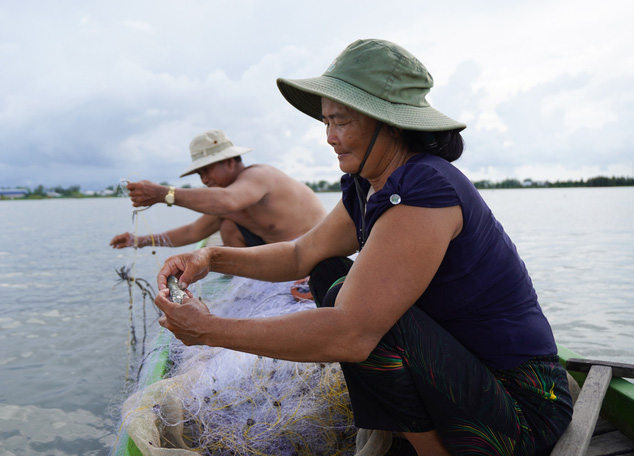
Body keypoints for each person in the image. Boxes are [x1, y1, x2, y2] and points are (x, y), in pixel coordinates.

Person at [153, 39, 573, 455]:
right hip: (462, 379)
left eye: (342, 122)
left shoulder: (426, 185)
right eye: (326, 122)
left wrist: (210, 331)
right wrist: (210, 257)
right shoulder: (367, 186)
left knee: (357, 312)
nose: (330, 138)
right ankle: (417, 439)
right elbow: (301, 253)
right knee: (327, 271)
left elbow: (351, 334)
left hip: (520, 409)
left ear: (388, 122)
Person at [109, 129, 327, 248]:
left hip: (314, 250)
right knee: (229, 227)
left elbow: (228, 200)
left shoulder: (258, 175)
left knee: (228, 224)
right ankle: (251, 282)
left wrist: (163, 193)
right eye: (199, 174)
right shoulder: (224, 200)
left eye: (207, 170)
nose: (204, 180)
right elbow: (192, 232)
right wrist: (139, 240)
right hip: (280, 257)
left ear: (230, 162)